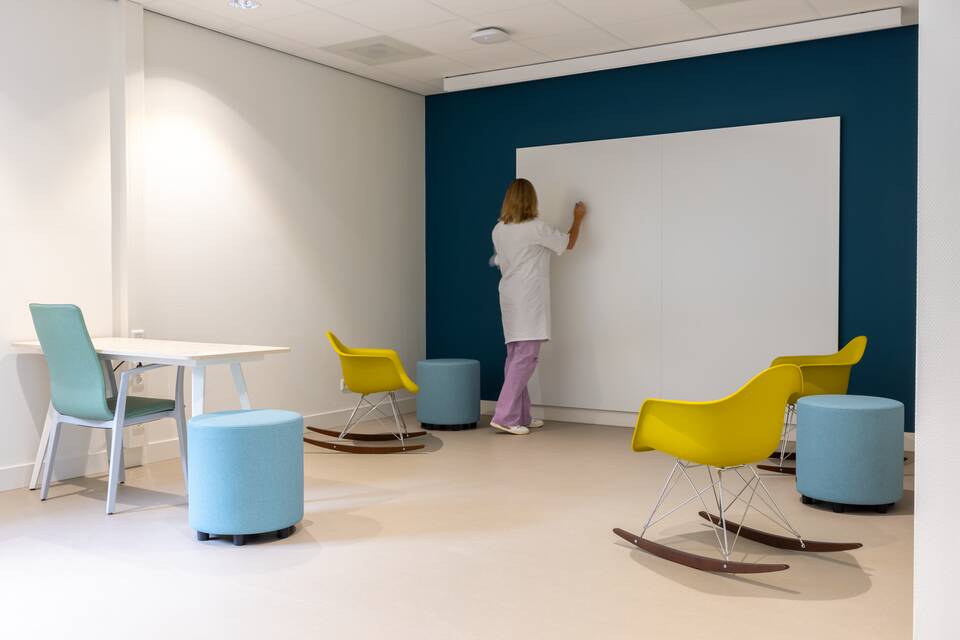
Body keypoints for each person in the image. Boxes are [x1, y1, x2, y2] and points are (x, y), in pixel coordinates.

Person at [489, 178, 587, 435]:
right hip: (528, 296)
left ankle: (520, 415)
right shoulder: (535, 228)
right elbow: (568, 243)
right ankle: (505, 416)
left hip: (509, 296)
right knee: (526, 357)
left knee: (515, 357)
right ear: (531, 200)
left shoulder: (498, 229)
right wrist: (578, 218)